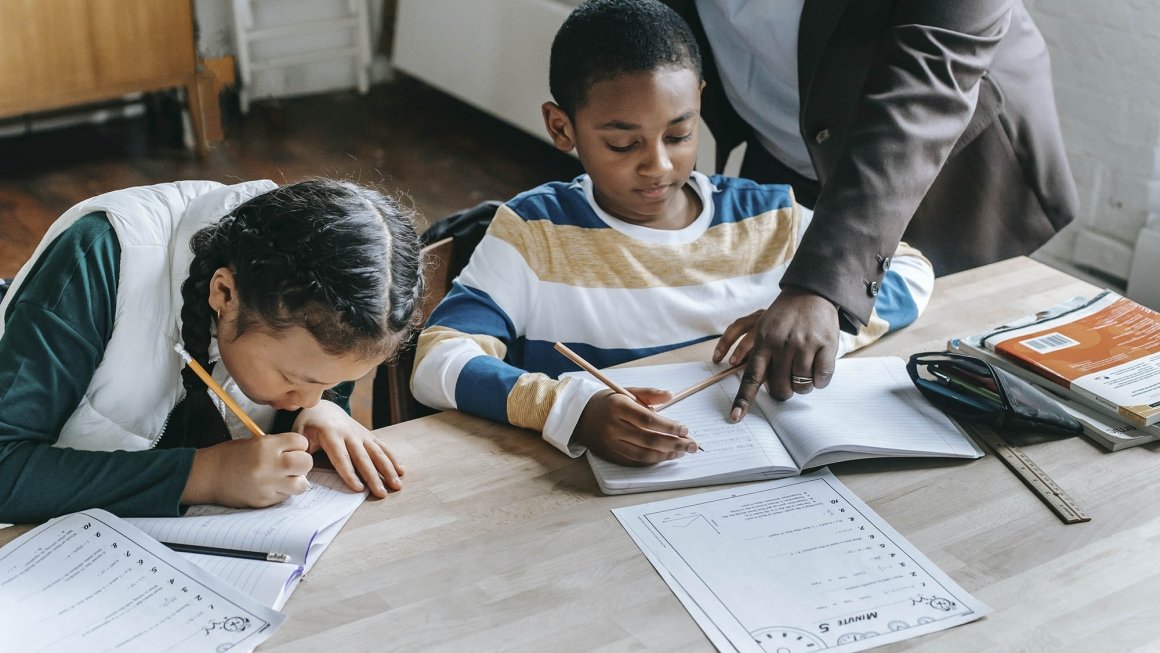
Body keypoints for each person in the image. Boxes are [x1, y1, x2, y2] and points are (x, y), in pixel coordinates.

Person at [409, 0, 935, 466]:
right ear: (561, 127)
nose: (658, 165)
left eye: (679, 134)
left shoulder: (766, 214)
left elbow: (910, 270)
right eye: (622, 144)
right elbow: (437, 359)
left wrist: (817, 330)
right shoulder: (535, 234)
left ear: (701, 101)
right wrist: (572, 409)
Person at [662, 0, 1079, 417]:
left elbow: (924, 93)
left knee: (952, 387)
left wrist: (821, 285)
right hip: (779, 144)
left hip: (947, 171)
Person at [0, 178, 424, 523]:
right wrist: (203, 476)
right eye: (296, 381)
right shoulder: (99, 256)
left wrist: (319, 414)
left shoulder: (327, 306)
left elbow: (311, 393)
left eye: (336, 384)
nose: (312, 395)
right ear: (224, 293)